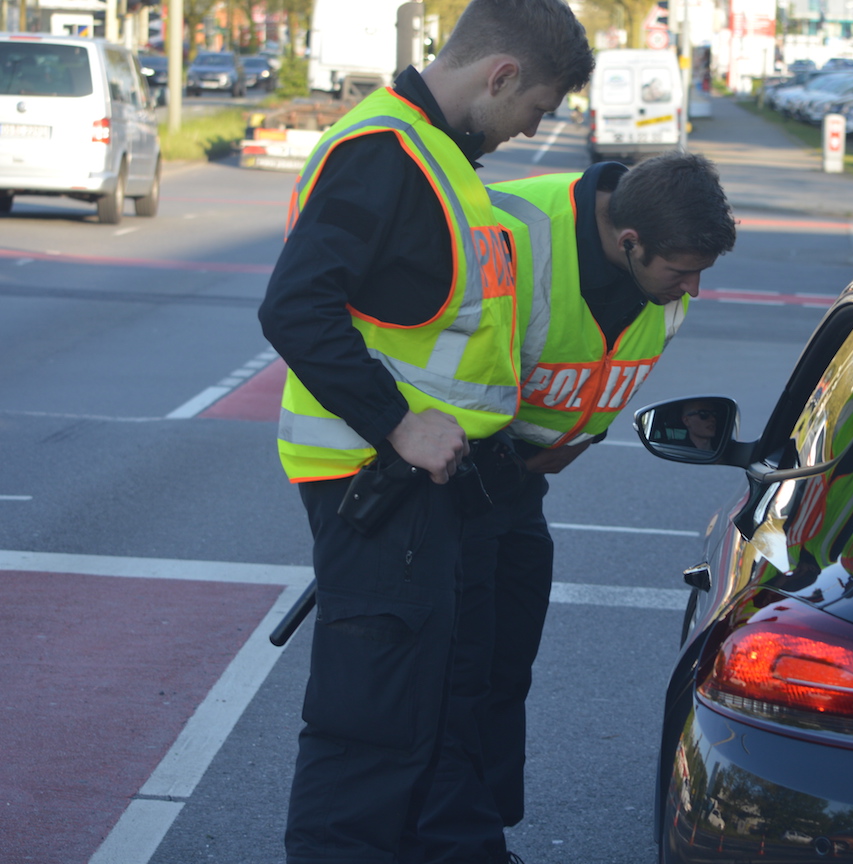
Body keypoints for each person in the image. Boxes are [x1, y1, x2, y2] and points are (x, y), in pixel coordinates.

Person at [256, 1, 593, 861]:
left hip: (428, 491)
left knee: (419, 719)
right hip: (378, 485)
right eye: (538, 108)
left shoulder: (437, 154)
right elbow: (295, 306)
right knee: (368, 734)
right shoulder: (387, 153)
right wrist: (398, 424)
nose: (533, 130)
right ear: (501, 75)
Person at [417, 153, 736, 862]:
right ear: (630, 242)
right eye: (681, 271)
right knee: (458, 678)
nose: (692, 288)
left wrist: (563, 447)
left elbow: (602, 374)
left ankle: (485, 829)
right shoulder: (512, 229)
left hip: (521, 485)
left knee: (506, 669)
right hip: (453, 484)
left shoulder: (664, 276)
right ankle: (455, 845)